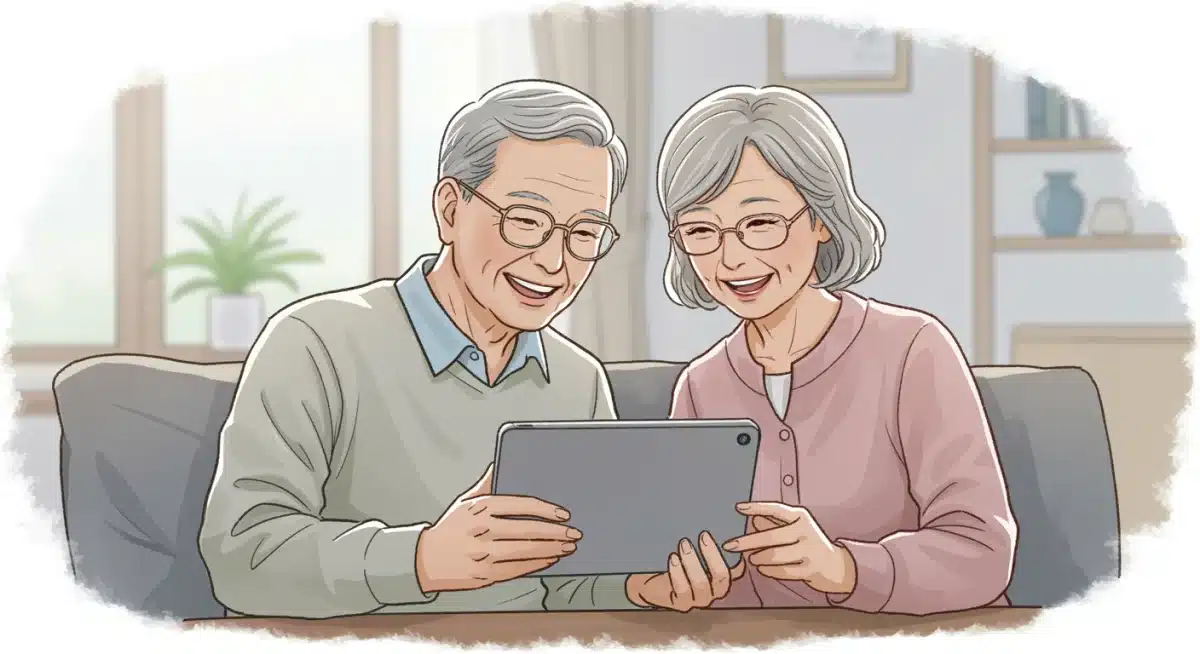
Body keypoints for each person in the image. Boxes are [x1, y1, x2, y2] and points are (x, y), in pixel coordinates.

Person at [198, 80, 739, 619]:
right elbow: (242, 557)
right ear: (450, 210)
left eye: (584, 233)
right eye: (527, 221)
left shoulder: (579, 379)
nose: (555, 262)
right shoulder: (316, 342)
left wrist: (638, 588)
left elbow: (570, 581)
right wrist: (422, 559)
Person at [657, 85, 1017, 616]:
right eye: (701, 230)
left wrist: (843, 569)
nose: (731, 259)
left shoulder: (913, 349)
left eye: (760, 224)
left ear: (821, 219)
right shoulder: (701, 386)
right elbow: (708, 569)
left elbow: (982, 550)